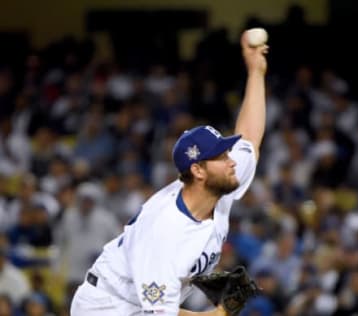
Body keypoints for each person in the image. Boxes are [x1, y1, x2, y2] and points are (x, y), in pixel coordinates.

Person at [70, 30, 268, 316]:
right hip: (105, 306)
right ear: (198, 170)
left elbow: (249, 137)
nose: (232, 161)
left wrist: (255, 71)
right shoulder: (164, 231)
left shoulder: (219, 187)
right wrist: (223, 311)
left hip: (140, 302)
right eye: (222, 156)